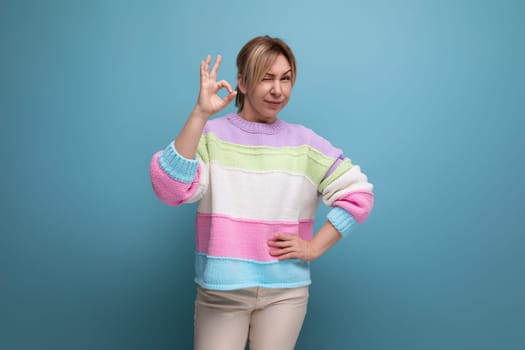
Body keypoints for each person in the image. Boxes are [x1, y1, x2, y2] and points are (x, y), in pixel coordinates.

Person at [149, 35, 374, 350]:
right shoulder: (210, 137)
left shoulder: (305, 144)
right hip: (222, 292)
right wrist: (200, 114)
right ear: (242, 82)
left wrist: (314, 248)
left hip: (286, 293)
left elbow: (358, 194)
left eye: (286, 79)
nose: (278, 90)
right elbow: (170, 189)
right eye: (267, 78)